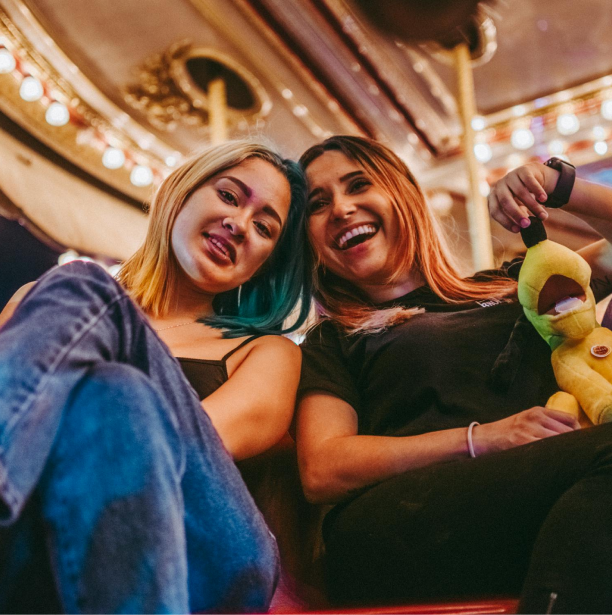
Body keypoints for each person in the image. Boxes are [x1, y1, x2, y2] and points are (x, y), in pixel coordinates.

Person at [295, 135, 612, 615]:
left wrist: (556, 183)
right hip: (399, 524)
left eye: (358, 185)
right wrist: (482, 438)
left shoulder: (514, 284)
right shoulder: (335, 337)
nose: (341, 208)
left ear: (402, 196)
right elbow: (323, 468)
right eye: (318, 205)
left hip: (538, 501)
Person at [0, 139, 311, 615]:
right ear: (179, 194)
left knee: (88, 293)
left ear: (265, 260)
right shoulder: (45, 305)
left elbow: (152, 449)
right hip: (53, 530)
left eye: (265, 227)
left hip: (215, 553)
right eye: (229, 196)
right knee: (116, 392)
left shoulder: (268, 353)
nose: (240, 224)